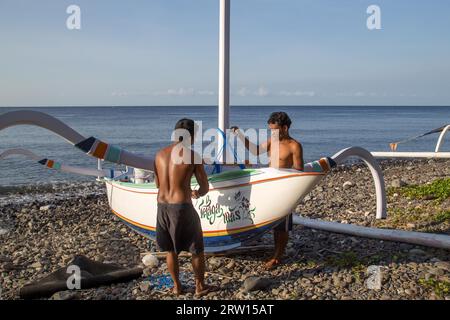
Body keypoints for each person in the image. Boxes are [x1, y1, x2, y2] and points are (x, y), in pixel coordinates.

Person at [231, 111, 304, 270]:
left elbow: (299, 172)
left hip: (284, 189)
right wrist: (240, 135)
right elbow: (256, 151)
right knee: (267, 218)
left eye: (275, 130)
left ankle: (277, 256)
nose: (272, 133)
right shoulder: (272, 141)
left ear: (284, 128)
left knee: (282, 226)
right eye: (270, 130)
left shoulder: (294, 146)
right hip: (270, 187)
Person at [154, 118, 212, 296]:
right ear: (191, 136)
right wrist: (196, 193)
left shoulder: (159, 154)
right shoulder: (192, 156)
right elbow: (204, 187)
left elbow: (157, 184)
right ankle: (199, 286)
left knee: (170, 250)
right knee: (196, 249)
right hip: (181, 207)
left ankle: (177, 286)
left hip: (162, 206)